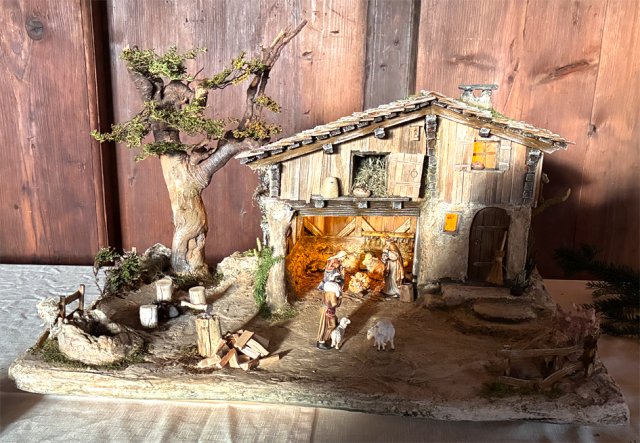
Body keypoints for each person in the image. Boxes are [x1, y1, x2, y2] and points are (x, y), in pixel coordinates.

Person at [316, 281, 342, 350]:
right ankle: (322, 341)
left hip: (326, 310)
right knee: (330, 325)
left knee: (325, 325)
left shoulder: (326, 292)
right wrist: (339, 299)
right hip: (329, 312)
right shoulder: (332, 293)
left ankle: (324, 339)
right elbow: (334, 304)